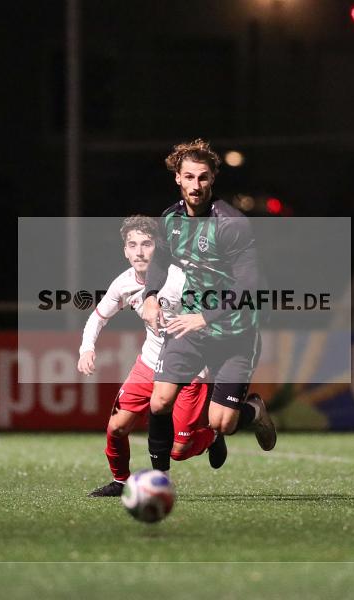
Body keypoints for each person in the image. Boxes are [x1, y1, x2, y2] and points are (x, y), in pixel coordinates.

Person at [140, 139, 276, 476]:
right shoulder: (170, 220)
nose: (195, 185)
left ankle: (253, 410)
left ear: (213, 178)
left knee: (223, 423)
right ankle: (158, 480)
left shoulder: (230, 224)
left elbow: (249, 285)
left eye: (202, 177)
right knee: (159, 402)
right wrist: (151, 295)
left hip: (235, 332)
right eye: (189, 177)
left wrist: (206, 315)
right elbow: (159, 262)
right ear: (178, 179)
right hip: (189, 326)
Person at [79, 215, 224, 497]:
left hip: (189, 367)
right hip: (149, 363)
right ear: (125, 250)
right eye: (132, 245)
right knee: (117, 427)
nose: (139, 251)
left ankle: (212, 436)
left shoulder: (179, 279)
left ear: (158, 246)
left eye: (146, 244)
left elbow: (212, 312)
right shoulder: (123, 284)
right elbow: (97, 318)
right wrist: (86, 348)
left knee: (179, 450)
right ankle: (121, 482)